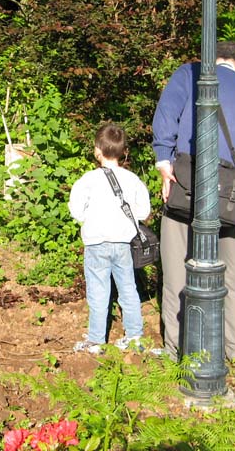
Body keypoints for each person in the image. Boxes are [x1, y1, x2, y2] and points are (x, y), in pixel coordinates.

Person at [152, 41, 235, 363]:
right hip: (234, 199)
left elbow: (165, 117)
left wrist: (164, 162)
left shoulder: (188, 75)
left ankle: (179, 350)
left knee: (177, 271)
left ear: (210, 59)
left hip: (187, 189)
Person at [68, 122, 151, 354]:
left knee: (98, 291)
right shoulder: (132, 180)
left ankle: (96, 340)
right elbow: (144, 211)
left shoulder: (87, 180)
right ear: (124, 152)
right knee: (128, 289)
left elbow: (76, 211)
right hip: (123, 244)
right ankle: (134, 336)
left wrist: (90, 219)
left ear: (97, 150)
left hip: (96, 243)